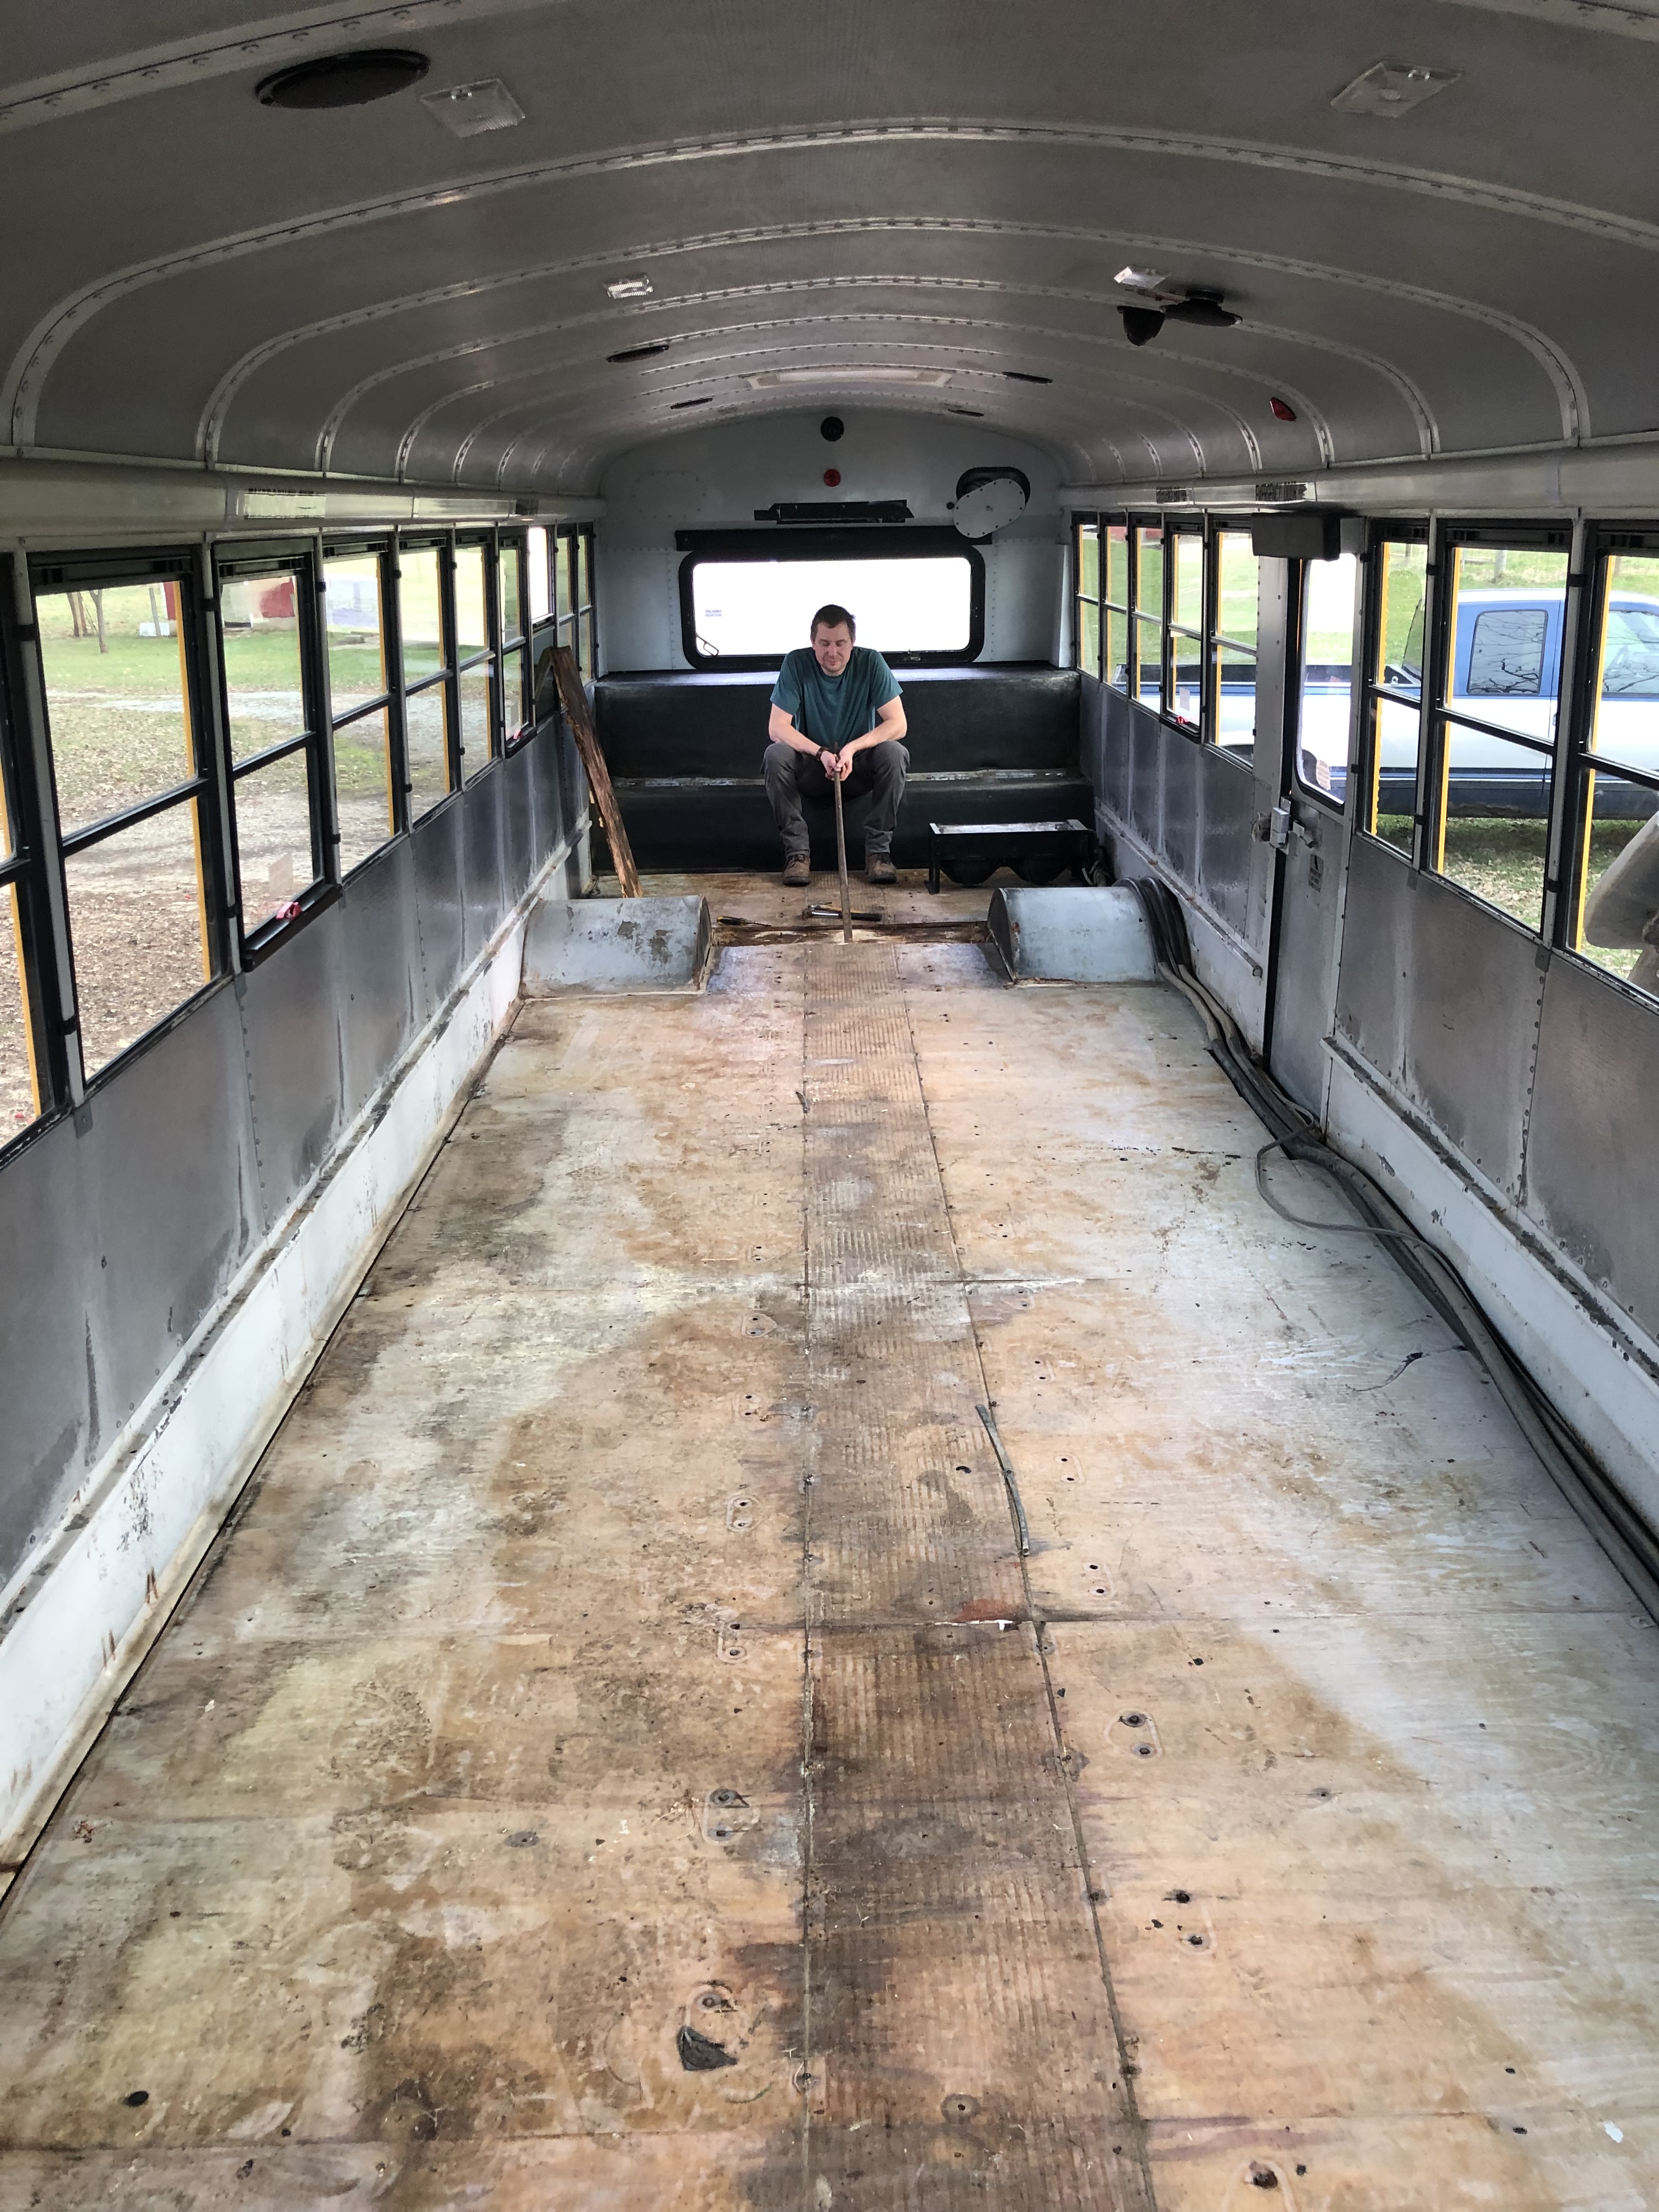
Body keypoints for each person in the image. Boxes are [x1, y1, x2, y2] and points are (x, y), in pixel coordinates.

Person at [763, 604, 909, 886]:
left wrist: (852, 749)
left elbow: (898, 724)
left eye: (840, 643)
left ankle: (878, 854)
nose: (832, 652)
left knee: (895, 753)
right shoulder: (796, 663)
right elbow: (776, 728)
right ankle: (797, 855)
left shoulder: (871, 662)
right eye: (824, 643)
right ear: (813, 643)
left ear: (852, 643)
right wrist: (820, 753)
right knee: (775, 755)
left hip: (857, 768)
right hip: (813, 768)